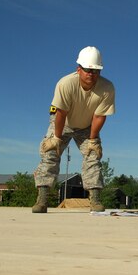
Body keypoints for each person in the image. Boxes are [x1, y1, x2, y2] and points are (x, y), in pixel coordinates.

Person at [32, 46, 115, 214]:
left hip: (87, 127)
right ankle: (42, 199)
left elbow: (99, 117)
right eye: (87, 70)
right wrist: (56, 138)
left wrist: (92, 140)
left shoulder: (107, 88)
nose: (91, 74)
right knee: (50, 154)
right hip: (63, 123)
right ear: (79, 69)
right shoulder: (65, 84)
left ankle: (95, 199)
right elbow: (61, 113)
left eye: (95, 70)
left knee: (93, 156)